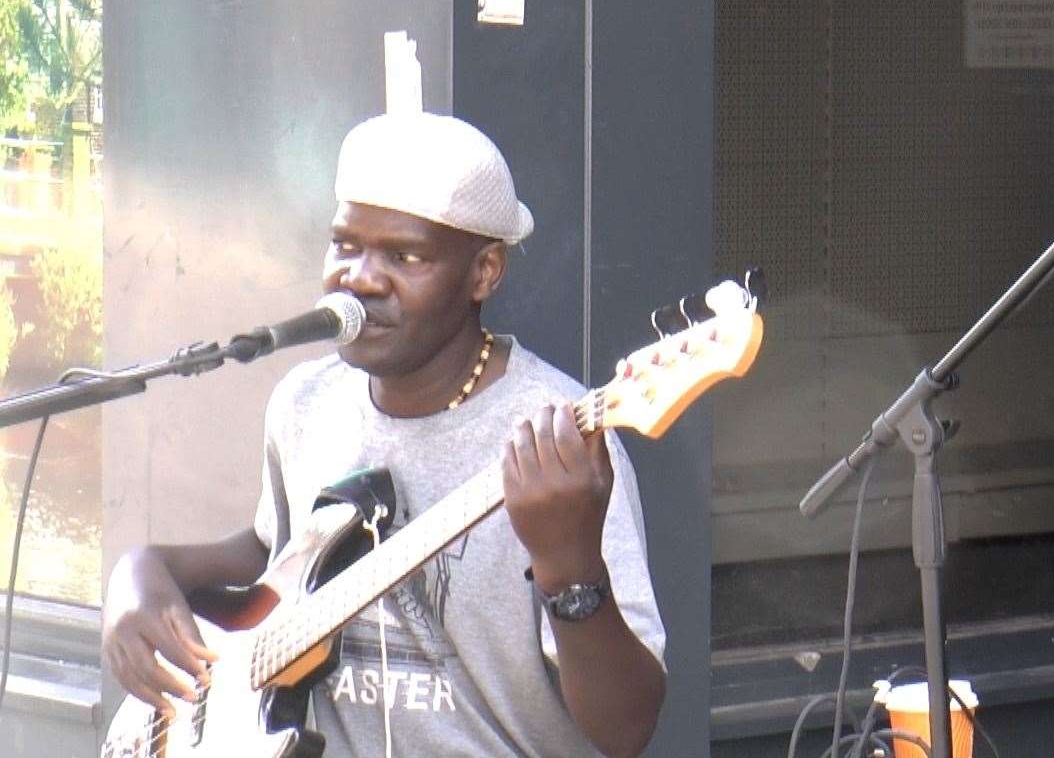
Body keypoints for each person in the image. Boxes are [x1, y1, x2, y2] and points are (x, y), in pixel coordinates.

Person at [102, 112, 667, 757]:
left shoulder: (560, 437)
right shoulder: (306, 401)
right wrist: (140, 574)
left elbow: (627, 730)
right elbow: (274, 558)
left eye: (405, 255)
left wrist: (571, 565)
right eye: (345, 246)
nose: (362, 278)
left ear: (484, 272)